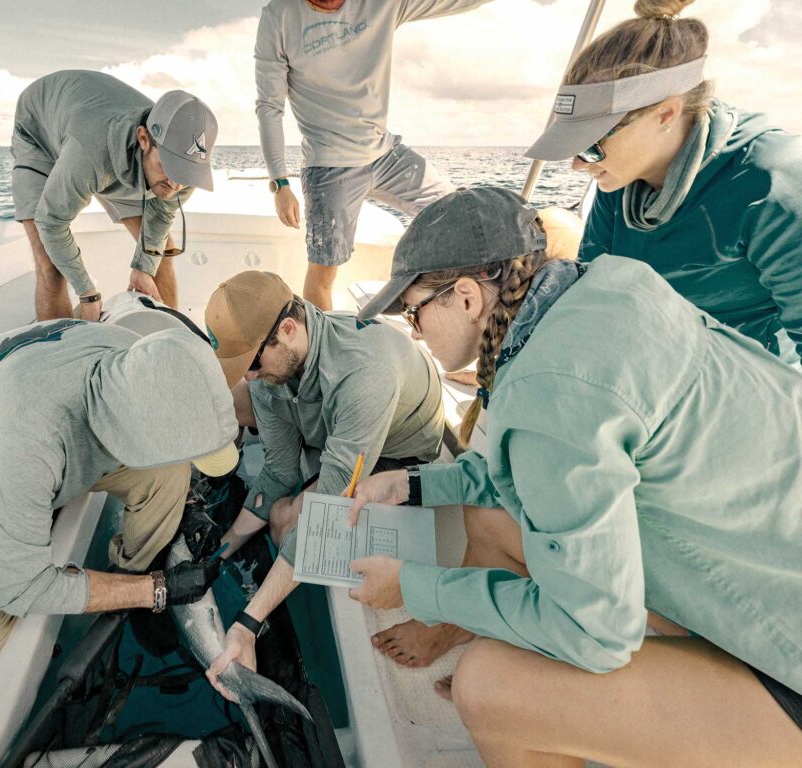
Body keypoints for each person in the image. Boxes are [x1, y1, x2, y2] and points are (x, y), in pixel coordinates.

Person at [346, 187, 802, 766]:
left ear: (464, 299)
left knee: (487, 687)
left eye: (414, 312)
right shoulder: (609, 290)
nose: (414, 330)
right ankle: (488, 636)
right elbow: (532, 472)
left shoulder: (548, 393)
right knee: (490, 512)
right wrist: (414, 485)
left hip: (787, 667)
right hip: (765, 578)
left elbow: (595, 635)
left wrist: (414, 587)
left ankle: (524, 697)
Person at [0, 319, 239, 673]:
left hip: (50, 439)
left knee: (170, 475)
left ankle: (129, 568)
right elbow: (17, 588)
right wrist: (155, 590)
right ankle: (132, 583)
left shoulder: (136, 357)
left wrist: (188, 503)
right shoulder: (23, 440)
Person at [199, 270, 445, 697]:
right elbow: (279, 470)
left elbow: (327, 514)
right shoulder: (272, 369)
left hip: (397, 452)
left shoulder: (365, 375)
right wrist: (220, 550)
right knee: (272, 493)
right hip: (340, 433)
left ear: (288, 330)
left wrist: (249, 621)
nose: (251, 377)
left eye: (252, 364)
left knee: (289, 521)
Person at [526, 0, 802, 367]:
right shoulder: (619, 181)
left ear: (665, 113)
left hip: (753, 392)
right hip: (659, 374)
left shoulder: (772, 184)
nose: (577, 164)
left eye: (592, 146)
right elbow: (593, 299)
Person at [255, 0, 491, 310]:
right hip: (329, 166)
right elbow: (269, 107)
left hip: (385, 153)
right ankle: (323, 350)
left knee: (457, 213)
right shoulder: (278, 17)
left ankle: (428, 297)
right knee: (324, 269)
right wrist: (280, 183)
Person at [11, 70, 218, 318]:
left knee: (158, 253)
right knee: (51, 264)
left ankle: (168, 340)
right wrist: (87, 294)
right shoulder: (90, 154)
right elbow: (51, 222)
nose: (175, 184)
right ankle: (61, 354)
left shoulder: (185, 169)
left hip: (103, 143)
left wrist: (144, 268)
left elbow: (161, 215)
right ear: (144, 139)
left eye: (184, 171)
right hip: (38, 130)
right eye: (169, 165)